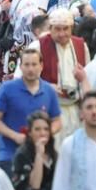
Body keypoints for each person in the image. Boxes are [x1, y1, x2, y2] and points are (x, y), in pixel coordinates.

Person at [0, 48, 61, 177]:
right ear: (20, 67)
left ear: (41, 66)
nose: (30, 69)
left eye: (34, 64)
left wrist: (44, 135)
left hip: (40, 154)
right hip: (10, 154)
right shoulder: (7, 89)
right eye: (26, 65)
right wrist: (15, 136)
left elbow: (57, 120)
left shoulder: (49, 91)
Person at [36, 9, 90, 142]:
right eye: (57, 29)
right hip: (50, 110)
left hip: (76, 110)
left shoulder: (81, 46)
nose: (62, 34)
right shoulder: (38, 46)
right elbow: (23, 79)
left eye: (66, 29)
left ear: (72, 28)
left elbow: (87, 77)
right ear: (50, 28)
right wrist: (46, 86)